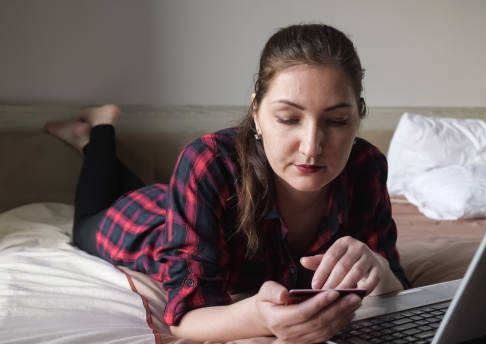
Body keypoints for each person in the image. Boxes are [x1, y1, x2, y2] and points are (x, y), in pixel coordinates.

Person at [45, 24, 410, 343]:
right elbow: (185, 317)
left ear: (358, 116)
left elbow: (396, 282)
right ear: (257, 113)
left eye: (336, 121)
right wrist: (257, 318)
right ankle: (96, 133)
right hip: (150, 223)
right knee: (84, 224)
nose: (312, 147)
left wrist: (379, 270)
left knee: (153, 191)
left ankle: (95, 137)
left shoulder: (366, 167)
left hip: (188, 204)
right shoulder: (208, 162)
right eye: (287, 118)